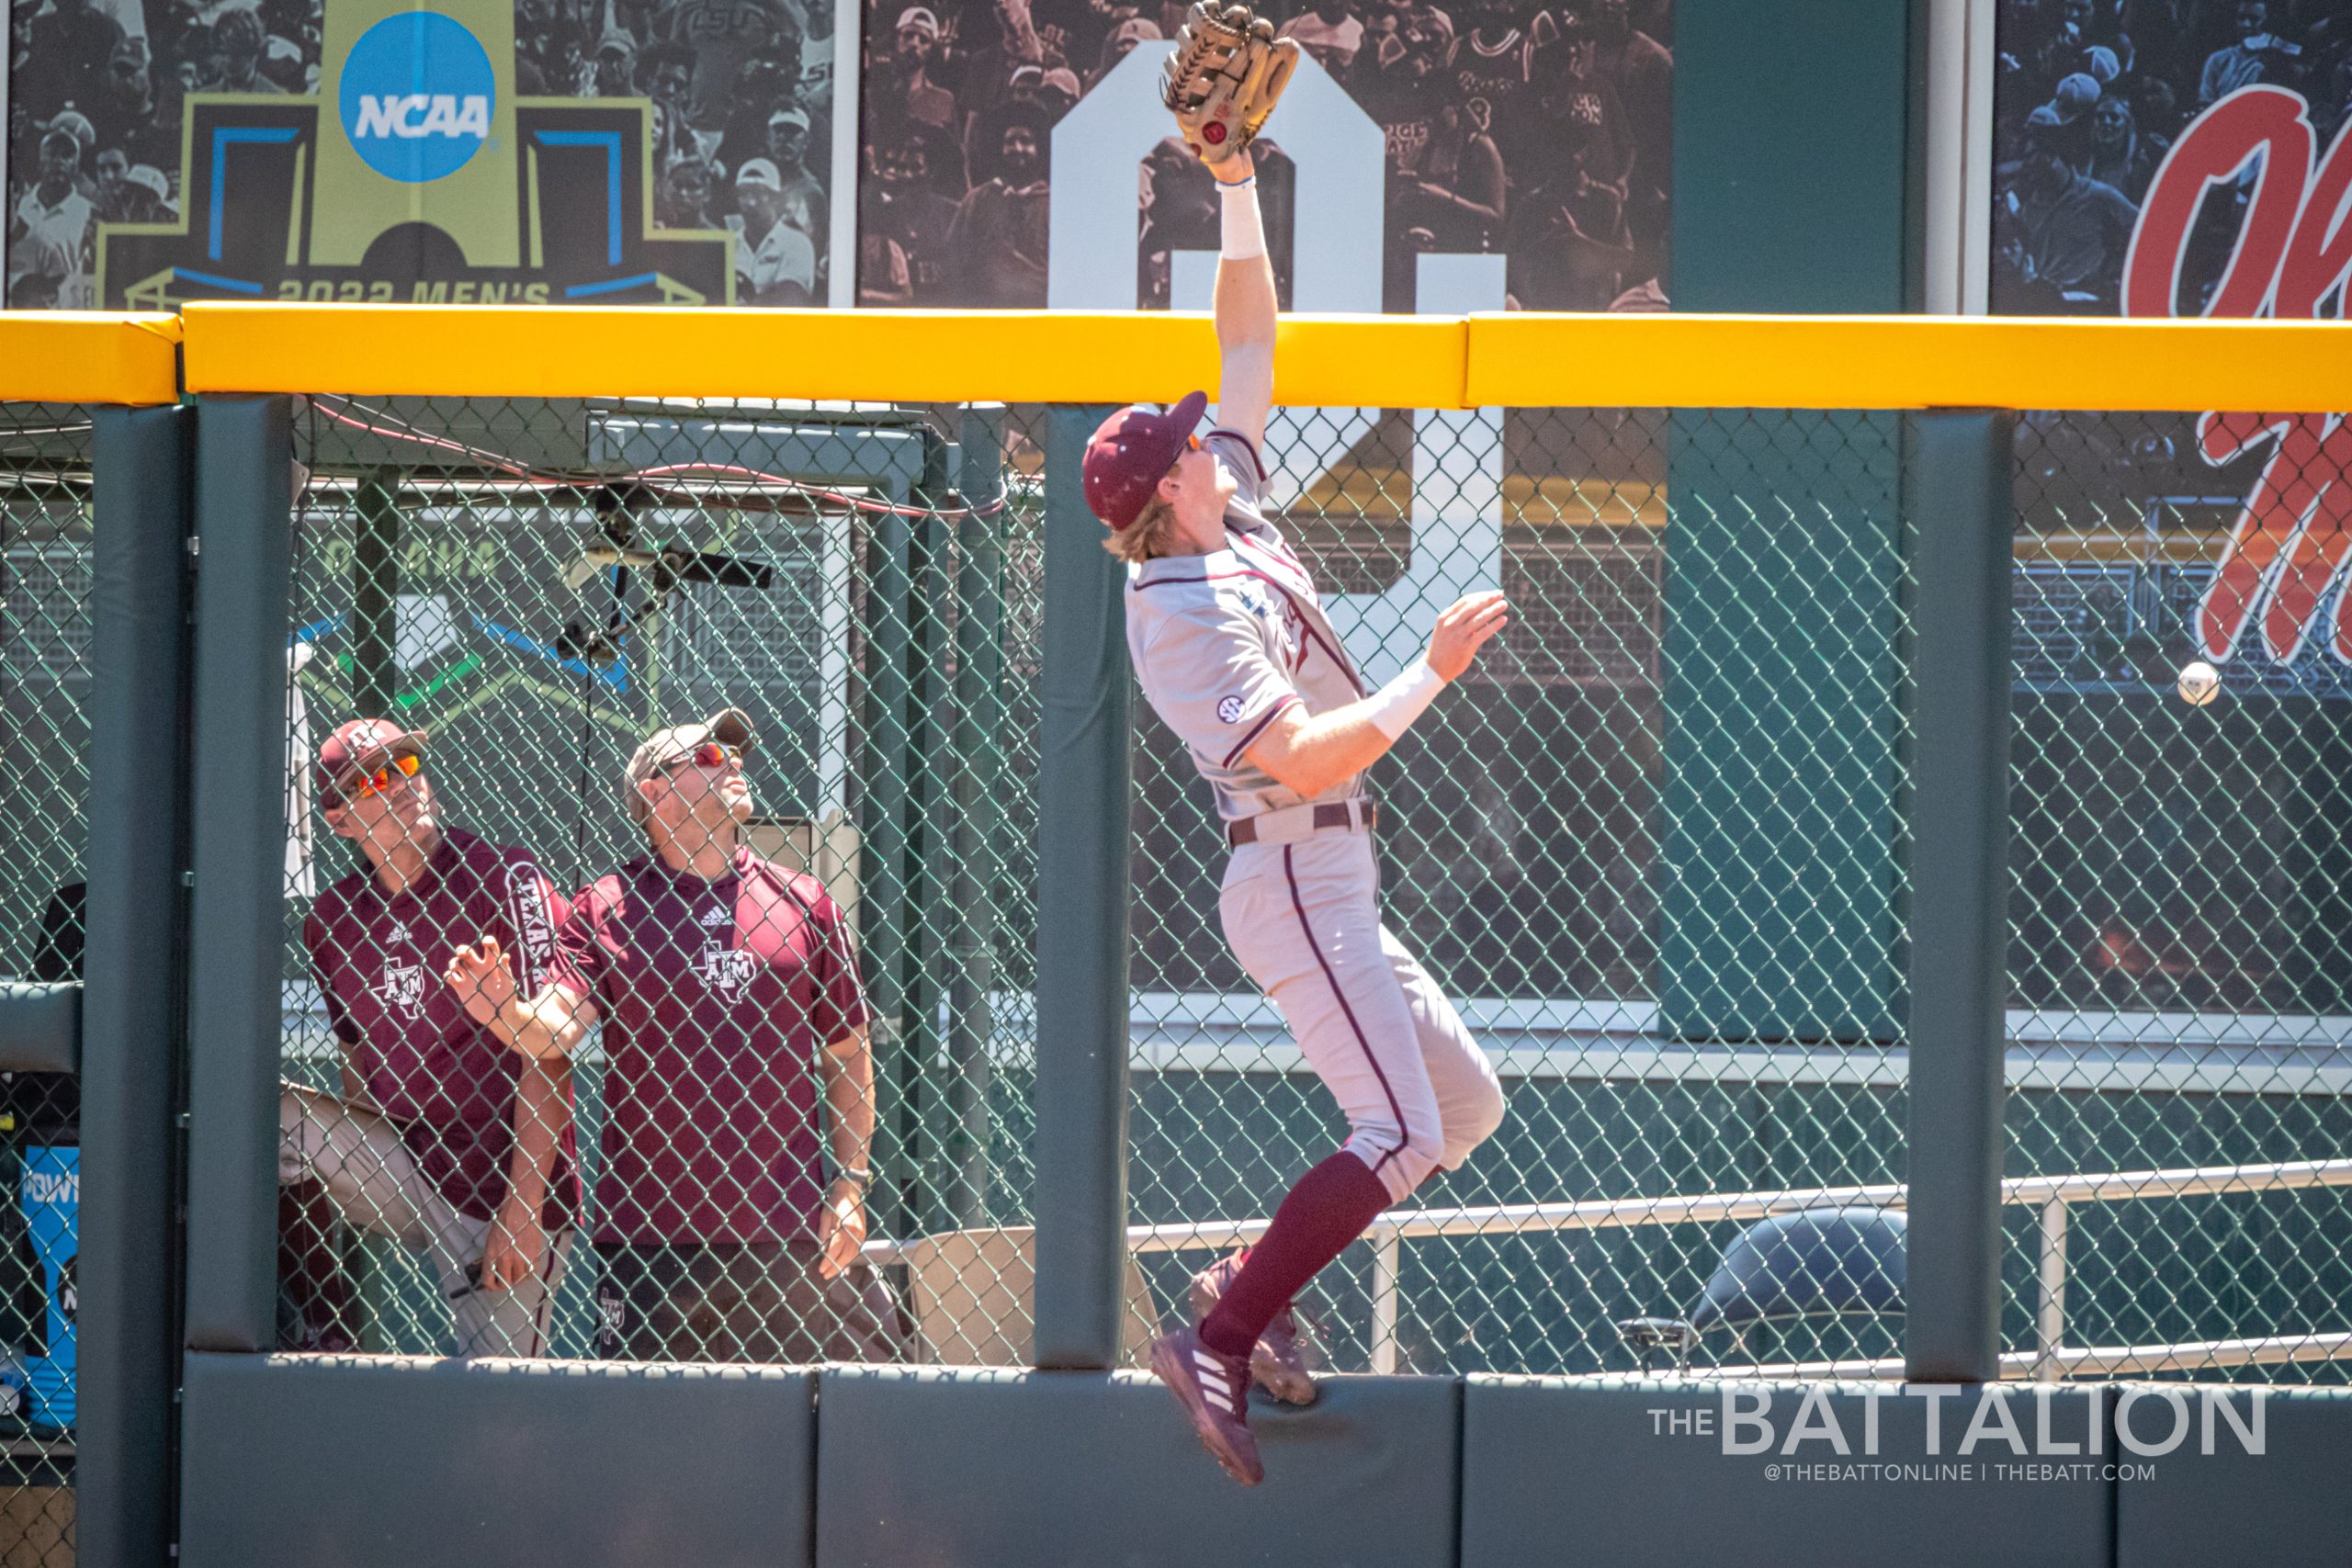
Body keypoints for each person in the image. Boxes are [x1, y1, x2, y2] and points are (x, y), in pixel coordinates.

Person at [1087, 145, 1509, 1484]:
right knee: (1399, 1132)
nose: (1209, 435)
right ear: (1166, 491)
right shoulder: (1183, 618)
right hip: (1292, 875)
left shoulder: (1230, 514)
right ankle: (1219, 1332)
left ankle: (1242, 1279)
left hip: (1337, 880)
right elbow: (1314, 758)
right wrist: (1425, 674)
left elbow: (1250, 329)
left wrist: (1233, 178)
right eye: (1186, 445)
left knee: (1463, 1102)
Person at [447, 709, 908, 1365]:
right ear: (655, 791)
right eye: (711, 757)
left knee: (781, 1442)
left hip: (785, 1239)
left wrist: (850, 1186)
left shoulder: (807, 901)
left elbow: (847, 1051)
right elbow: (557, 1029)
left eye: (735, 752)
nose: (736, 761)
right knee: (648, 1448)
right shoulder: (606, 904)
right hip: (648, 1242)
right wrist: (504, 1013)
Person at [292, 720, 580, 1359]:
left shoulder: (506, 876)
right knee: (267, 1120)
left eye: (409, 762)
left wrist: (524, 1202)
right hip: (403, 1158)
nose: (402, 784)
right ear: (341, 821)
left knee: (498, 1390)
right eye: (374, 778)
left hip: (497, 1178)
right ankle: (324, 1318)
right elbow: (353, 1057)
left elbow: (549, 1049)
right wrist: (362, 1162)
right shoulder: (332, 921)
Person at [731, 158, 820, 303]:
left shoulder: (796, 243)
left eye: (760, 193)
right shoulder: (729, 245)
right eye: (744, 193)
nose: (751, 202)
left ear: (777, 199)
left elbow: (789, 299)